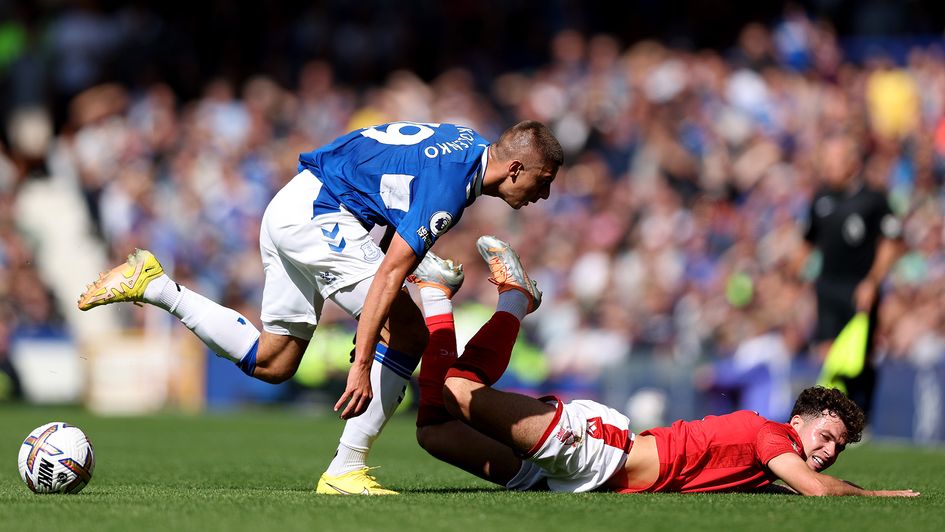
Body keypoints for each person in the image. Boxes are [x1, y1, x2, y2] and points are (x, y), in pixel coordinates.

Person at [77, 121, 564, 495]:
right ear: (516, 169)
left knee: (274, 361)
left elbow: (394, 188)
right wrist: (361, 363)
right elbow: (391, 273)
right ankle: (346, 469)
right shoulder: (451, 187)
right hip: (321, 215)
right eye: (543, 182)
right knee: (410, 334)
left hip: (295, 202)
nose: (543, 196)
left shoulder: (465, 141)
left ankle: (157, 286)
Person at [410, 236, 918, 496]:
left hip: (572, 477)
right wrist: (876, 494)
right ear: (797, 424)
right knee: (457, 390)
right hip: (593, 452)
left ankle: (435, 296)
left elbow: (786, 484)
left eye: (838, 447)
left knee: (433, 431)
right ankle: (515, 298)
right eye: (825, 436)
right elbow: (814, 489)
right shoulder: (774, 439)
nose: (828, 451)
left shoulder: (772, 462)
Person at [798, 132, 903, 421]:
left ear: (852, 162)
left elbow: (891, 243)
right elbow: (808, 242)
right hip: (828, 288)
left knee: (859, 357)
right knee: (828, 353)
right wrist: (798, 275)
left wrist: (872, 281)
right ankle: (836, 418)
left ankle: (862, 415)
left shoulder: (874, 199)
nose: (827, 167)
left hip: (860, 289)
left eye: (833, 160)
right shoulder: (821, 198)